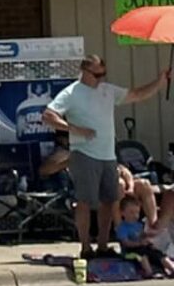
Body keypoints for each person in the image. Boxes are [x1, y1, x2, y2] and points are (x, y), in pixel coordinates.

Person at [41, 54, 170, 260]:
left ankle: (102, 245)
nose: (101, 78)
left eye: (104, 74)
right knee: (84, 201)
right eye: (97, 74)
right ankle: (85, 247)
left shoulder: (107, 91)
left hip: (107, 155)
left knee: (109, 201)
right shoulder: (71, 93)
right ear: (85, 71)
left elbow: (136, 94)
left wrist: (160, 82)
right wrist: (73, 129)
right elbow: (48, 115)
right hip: (84, 154)